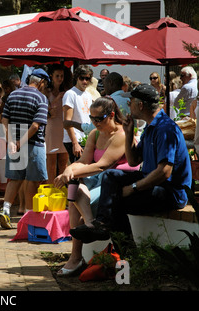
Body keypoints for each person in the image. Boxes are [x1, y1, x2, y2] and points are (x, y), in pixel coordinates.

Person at [70, 84, 192, 252]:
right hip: (152, 182)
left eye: (132, 101)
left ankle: (127, 253)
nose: (128, 105)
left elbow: (164, 172)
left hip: (170, 191)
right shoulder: (151, 127)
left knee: (118, 201)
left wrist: (133, 188)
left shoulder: (165, 128)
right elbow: (134, 161)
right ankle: (103, 226)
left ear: (140, 105)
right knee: (111, 175)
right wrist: (129, 134)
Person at [53, 96, 138, 276]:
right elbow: (84, 161)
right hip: (100, 179)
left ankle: (76, 256)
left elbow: (103, 165)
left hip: (115, 181)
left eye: (99, 119)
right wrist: (68, 170)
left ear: (112, 115)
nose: (95, 122)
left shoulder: (121, 134)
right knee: (73, 186)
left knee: (74, 197)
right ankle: (91, 224)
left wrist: (72, 172)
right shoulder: (95, 133)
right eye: (92, 118)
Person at [0, 68, 49, 229]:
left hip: (14, 144)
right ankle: (28, 216)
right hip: (33, 145)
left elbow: (5, 120)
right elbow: (35, 125)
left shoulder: (13, 95)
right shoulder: (41, 98)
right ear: (41, 82)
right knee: (33, 180)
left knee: (15, 179)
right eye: (45, 84)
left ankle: (5, 209)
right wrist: (21, 142)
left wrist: (11, 141)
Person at [62, 65, 93, 164]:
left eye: (87, 78)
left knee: (84, 171)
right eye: (82, 78)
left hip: (85, 138)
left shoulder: (88, 95)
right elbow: (67, 121)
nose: (85, 81)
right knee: (77, 172)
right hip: (74, 139)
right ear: (76, 78)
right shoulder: (70, 94)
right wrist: (75, 143)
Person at [45, 64, 69, 184]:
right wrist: (57, 98)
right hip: (52, 127)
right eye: (57, 76)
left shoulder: (67, 92)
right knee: (51, 163)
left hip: (63, 127)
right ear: (52, 77)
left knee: (63, 162)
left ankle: (62, 187)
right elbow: (47, 110)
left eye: (62, 76)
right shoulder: (46, 91)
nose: (60, 78)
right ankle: (51, 187)